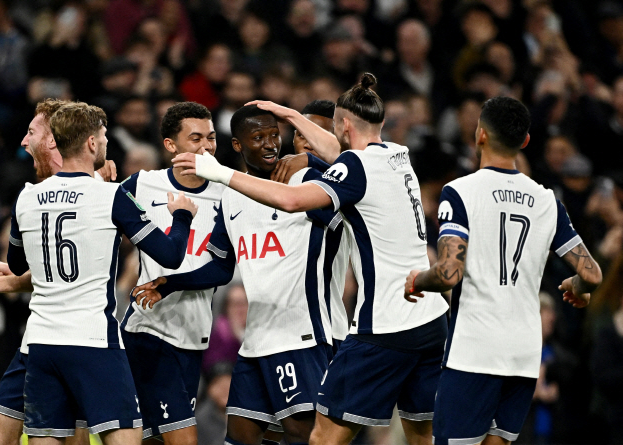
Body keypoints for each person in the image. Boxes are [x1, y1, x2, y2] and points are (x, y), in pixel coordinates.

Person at [172, 73, 450, 445]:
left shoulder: (344, 172)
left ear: (343, 126)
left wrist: (220, 172)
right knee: (422, 434)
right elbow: (340, 151)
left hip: (376, 325)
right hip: (428, 319)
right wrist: (288, 113)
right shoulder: (397, 155)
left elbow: (292, 199)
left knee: (320, 439)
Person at [403, 96, 602, 445]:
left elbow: (449, 273)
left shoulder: (461, 192)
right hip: (523, 356)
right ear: (525, 141)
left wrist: (418, 279)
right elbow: (592, 273)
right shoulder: (547, 201)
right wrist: (579, 287)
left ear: (480, 134)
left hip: (475, 352)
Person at [144, 104, 341, 445]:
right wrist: (171, 283)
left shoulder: (306, 182)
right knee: (239, 435)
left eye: (274, 136)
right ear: (237, 145)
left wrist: (312, 161)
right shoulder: (232, 196)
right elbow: (222, 265)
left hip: (300, 335)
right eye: (258, 137)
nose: (270, 144)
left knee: (304, 435)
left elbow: (352, 185)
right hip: (255, 340)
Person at [9, 101, 197, 444]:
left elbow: (19, 266)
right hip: (92, 340)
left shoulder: (26, 198)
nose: (107, 143)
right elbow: (170, 255)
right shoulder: (112, 196)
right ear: (91, 143)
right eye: (105, 136)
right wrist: (182, 216)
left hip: (40, 342)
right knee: (126, 436)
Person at [0, 99, 116, 445]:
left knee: (71, 436)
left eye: (31, 132)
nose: (23, 141)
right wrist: (10, 279)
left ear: (52, 140)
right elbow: (54, 271)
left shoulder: (96, 192)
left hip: (81, 336)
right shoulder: (36, 195)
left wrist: (5, 285)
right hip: (42, 333)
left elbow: (76, 274)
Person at [119, 101, 225, 445]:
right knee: (182, 437)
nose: (206, 146)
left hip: (193, 335)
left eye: (210, 138)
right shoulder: (140, 185)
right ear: (170, 145)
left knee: (152, 439)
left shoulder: (229, 193)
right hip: (147, 328)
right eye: (195, 138)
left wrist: (169, 284)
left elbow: (222, 268)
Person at [289, 99, 349, 352]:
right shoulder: (283, 181)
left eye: (317, 134)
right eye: (299, 133)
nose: (306, 141)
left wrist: (310, 162)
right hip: (278, 332)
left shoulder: (348, 188)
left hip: (325, 328)